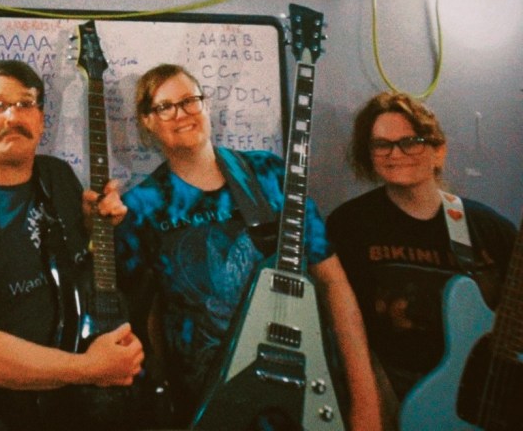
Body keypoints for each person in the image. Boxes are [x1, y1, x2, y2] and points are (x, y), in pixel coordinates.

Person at [115, 63, 383, 431]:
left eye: (190, 100)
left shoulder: (268, 174)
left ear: (206, 105)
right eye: (165, 107)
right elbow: (136, 313)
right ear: (147, 121)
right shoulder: (140, 207)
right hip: (207, 405)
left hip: (301, 389)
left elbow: (333, 283)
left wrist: (366, 402)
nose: (182, 114)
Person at [0, 59, 144, 431]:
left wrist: (96, 223)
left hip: (84, 407)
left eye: (25, 104)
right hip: (6, 415)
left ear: (42, 121)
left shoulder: (57, 176)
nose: (13, 116)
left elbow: (75, 262)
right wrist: (91, 368)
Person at [327, 92, 515, 414]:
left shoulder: (489, 229)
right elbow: (342, 327)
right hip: (387, 395)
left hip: (474, 403)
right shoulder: (349, 224)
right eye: (381, 144)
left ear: (438, 151)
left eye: (410, 142)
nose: (395, 154)